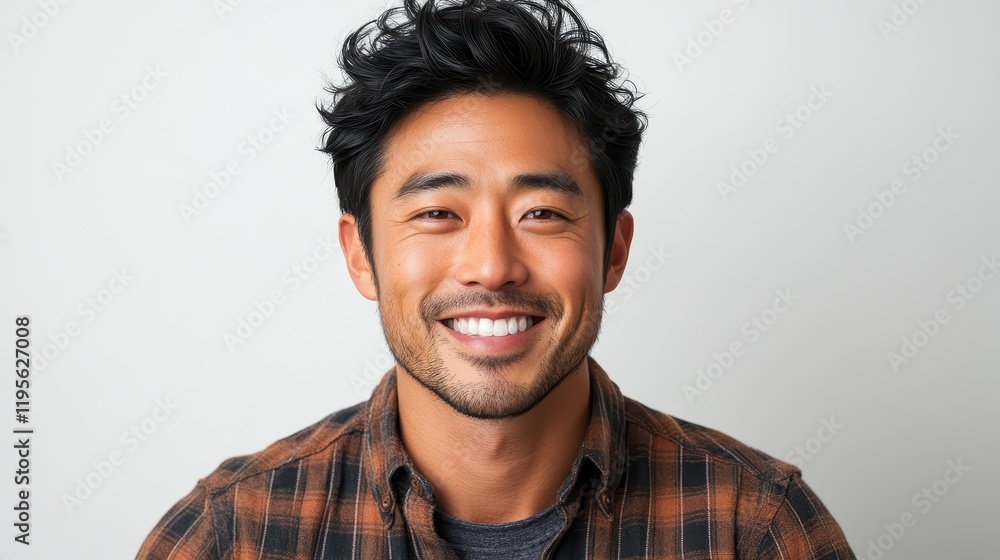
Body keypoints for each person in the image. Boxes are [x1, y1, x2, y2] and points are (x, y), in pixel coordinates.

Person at [136, 0, 856, 557]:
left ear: (613, 251)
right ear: (361, 255)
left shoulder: (753, 527)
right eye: (437, 213)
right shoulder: (233, 534)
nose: (491, 266)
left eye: (542, 213)